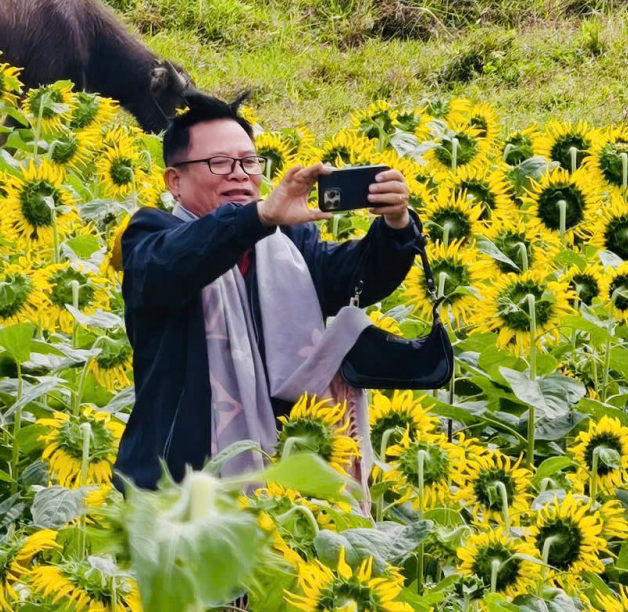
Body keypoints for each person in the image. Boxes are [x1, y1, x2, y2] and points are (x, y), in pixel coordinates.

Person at [111, 93, 421, 490]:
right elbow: (170, 266)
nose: (239, 174)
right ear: (175, 181)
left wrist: (396, 228)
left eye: (249, 162)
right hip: (177, 486)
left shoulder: (288, 240)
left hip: (284, 478)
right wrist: (256, 218)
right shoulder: (151, 235)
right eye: (219, 163)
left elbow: (354, 278)